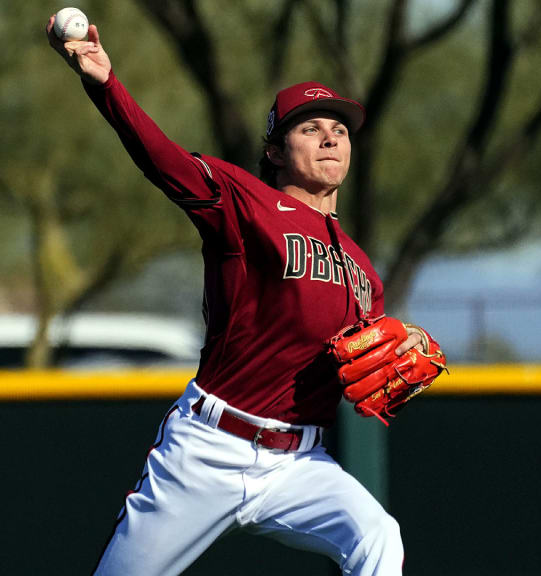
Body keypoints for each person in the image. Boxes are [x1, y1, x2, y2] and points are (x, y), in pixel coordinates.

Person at [47, 15, 431, 576]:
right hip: (207, 448)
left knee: (378, 536)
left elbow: (366, 365)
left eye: (340, 130)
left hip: (299, 464)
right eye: (310, 127)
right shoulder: (241, 201)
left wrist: (407, 340)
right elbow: (161, 158)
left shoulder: (362, 271)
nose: (330, 136)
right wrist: (106, 85)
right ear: (274, 152)